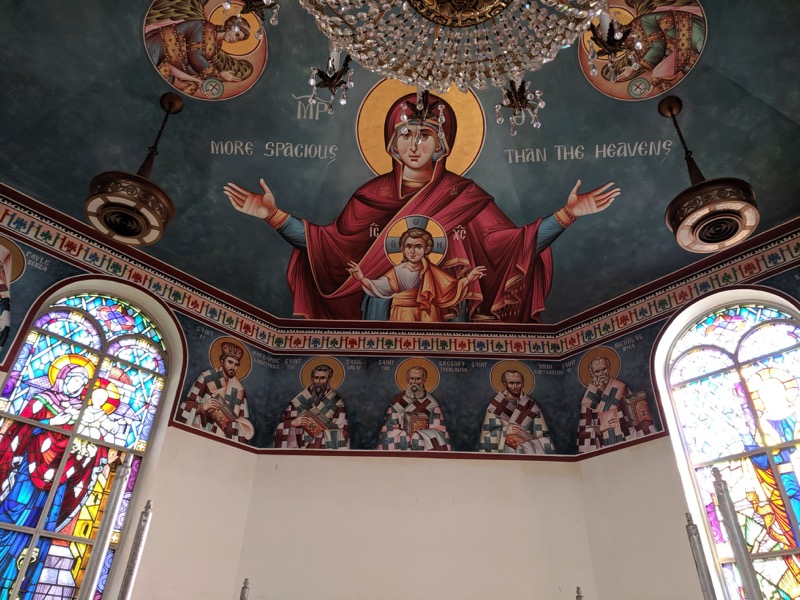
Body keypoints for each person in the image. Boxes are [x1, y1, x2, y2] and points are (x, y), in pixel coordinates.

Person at [224, 91, 620, 322]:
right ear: (392, 144)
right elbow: (327, 247)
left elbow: (513, 246)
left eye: (426, 135)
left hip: (450, 318)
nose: (415, 145)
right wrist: (272, 215)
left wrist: (568, 214)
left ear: (441, 145)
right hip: (381, 318)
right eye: (406, 134)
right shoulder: (368, 196)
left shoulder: (466, 196)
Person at [0, 360, 111, 595]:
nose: (76, 385)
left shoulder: (84, 413)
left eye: (81, 382)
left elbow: (93, 447)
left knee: (41, 532)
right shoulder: (41, 401)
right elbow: (19, 431)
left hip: (59, 482)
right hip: (27, 475)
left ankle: (21, 591)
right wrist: (52, 422)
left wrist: (91, 451)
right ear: (61, 379)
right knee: (10, 519)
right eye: (73, 379)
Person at [346, 226, 486, 321]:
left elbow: (449, 288)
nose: (413, 252)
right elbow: (380, 287)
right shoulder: (397, 271)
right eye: (409, 246)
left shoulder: (433, 271)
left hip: (428, 314)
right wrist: (361, 278)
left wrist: (469, 278)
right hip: (402, 313)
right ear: (402, 249)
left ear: (427, 249)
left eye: (418, 246)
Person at [145, 15, 252, 96]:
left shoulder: (216, 46)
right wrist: (218, 74)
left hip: (172, 59)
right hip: (160, 46)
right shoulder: (204, 27)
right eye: (236, 34)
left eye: (238, 39)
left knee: (190, 86)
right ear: (230, 27)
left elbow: (192, 65)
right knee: (147, 72)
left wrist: (203, 83)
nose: (235, 39)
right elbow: (194, 57)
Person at [176, 341, 254, 443]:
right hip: (201, 433)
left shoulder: (239, 389)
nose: (233, 367)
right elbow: (185, 406)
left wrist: (237, 424)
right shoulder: (206, 378)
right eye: (230, 362)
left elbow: (242, 419)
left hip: (223, 441)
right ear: (222, 362)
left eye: (236, 364)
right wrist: (202, 407)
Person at [273, 364, 349, 449]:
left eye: (323, 378)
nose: (319, 382)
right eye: (316, 378)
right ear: (312, 378)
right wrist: (293, 423)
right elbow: (280, 427)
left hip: (324, 452)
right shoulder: (299, 400)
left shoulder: (336, 402)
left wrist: (321, 434)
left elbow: (344, 434)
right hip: (301, 450)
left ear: (329, 379)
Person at [478, 369, 554, 454]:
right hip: (504, 456)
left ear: (523, 384)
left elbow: (546, 440)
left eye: (518, 383)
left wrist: (528, 436)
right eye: (511, 383)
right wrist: (505, 431)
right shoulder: (496, 406)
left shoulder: (531, 407)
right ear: (505, 384)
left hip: (527, 457)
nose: (515, 386)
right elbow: (485, 441)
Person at [377, 365, 450, 451]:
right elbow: (388, 430)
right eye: (412, 379)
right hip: (401, 443)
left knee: (418, 437)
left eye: (418, 379)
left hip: (422, 442)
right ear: (408, 380)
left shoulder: (431, 404)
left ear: (424, 380)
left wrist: (417, 435)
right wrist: (405, 435)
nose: (414, 383)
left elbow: (440, 431)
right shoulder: (397, 402)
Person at [576, 355, 636, 453]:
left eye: (604, 369)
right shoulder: (588, 399)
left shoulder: (621, 389)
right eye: (597, 371)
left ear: (609, 369)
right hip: (602, 443)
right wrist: (600, 428)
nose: (601, 374)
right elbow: (583, 434)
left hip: (625, 436)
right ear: (592, 374)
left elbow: (634, 417)